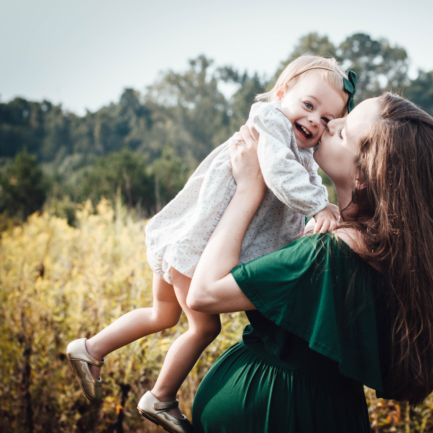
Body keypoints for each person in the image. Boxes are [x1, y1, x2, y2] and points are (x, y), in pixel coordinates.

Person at [65, 55, 357, 433]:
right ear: (281, 93)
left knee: (161, 315)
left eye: (328, 119)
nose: (316, 120)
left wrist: (327, 205)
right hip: (198, 249)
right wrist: (319, 206)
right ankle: (160, 398)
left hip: (184, 238)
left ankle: (89, 349)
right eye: (308, 105)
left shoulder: (300, 151)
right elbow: (280, 174)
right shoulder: (270, 124)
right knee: (204, 329)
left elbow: (308, 182)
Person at [187, 93, 433, 432]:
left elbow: (203, 293)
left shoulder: (329, 254)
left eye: (342, 131)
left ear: (365, 176)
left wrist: (249, 189)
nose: (328, 123)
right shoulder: (392, 253)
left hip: (286, 414)